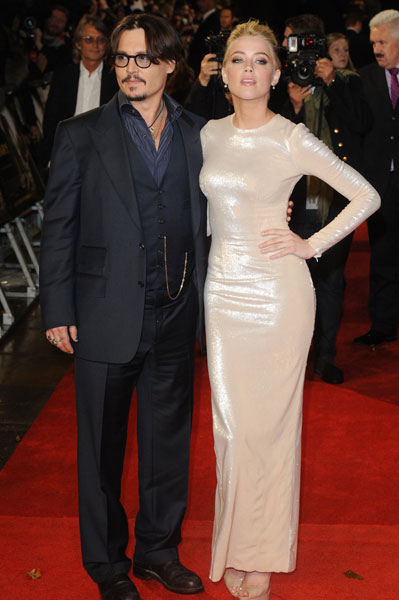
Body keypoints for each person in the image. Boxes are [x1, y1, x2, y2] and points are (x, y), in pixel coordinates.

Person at [199, 20, 379, 599]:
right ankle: (235, 543)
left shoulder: (291, 137)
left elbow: (367, 194)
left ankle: (260, 555)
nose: (248, 70)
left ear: (276, 75)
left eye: (260, 61)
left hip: (278, 295)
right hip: (223, 294)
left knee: (270, 430)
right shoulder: (208, 134)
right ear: (223, 72)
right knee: (231, 428)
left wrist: (311, 243)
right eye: (237, 59)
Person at [39, 13, 208, 600]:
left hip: (176, 309)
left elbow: (226, 207)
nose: (130, 69)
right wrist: (57, 308)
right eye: (122, 58)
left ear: (169, 64)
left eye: (143, 58)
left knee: (168, 446)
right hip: (103, 313)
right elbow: (58, 227)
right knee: (101, 451)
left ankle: (158, 552)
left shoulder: (200, 133)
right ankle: (108, 563)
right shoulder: (79, 133)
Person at [280, 16, 372, 384]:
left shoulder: (346, 81)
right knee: (292, 280)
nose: (292, 51)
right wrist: (293, 108)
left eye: (296, 42)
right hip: (293, 195)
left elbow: (362, 124)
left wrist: (331, 81)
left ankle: (325, 357)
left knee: (332, 279)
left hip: (334, 197)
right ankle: (294, 359)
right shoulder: (279, 84)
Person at [353, 9, 399, 346]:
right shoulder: (363, 78)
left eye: (382, 42)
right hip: (381, 184)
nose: (376, 49)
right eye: (373, 43)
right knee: (383, 256)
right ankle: (383, 325)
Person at [41, 14, 119, 167]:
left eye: (101, 40)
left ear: (106, 45)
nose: (95, 45)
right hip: (68, 155)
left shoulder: (116, 80)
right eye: (89, 39)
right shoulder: (63, 77)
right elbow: (50, 120)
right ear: (78, 44)